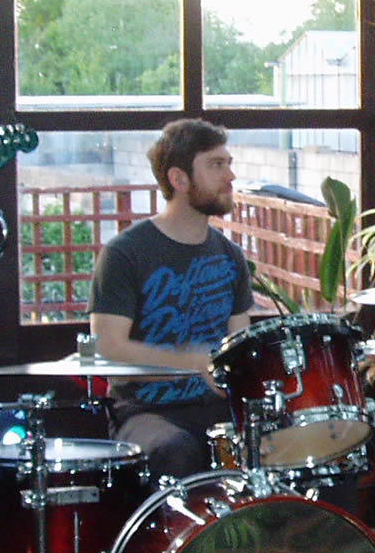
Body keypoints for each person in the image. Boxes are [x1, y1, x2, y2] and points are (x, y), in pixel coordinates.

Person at [87, 119, 255, 481]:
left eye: (228, 163)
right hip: (145, 411)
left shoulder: (230, 257)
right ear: (179, 179)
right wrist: (193, 362)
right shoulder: (125, 253)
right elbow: (107, 347)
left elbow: (240, 344)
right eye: (216, 165)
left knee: (305, 446)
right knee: (175, 450)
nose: (230, 176)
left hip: (218, 408)